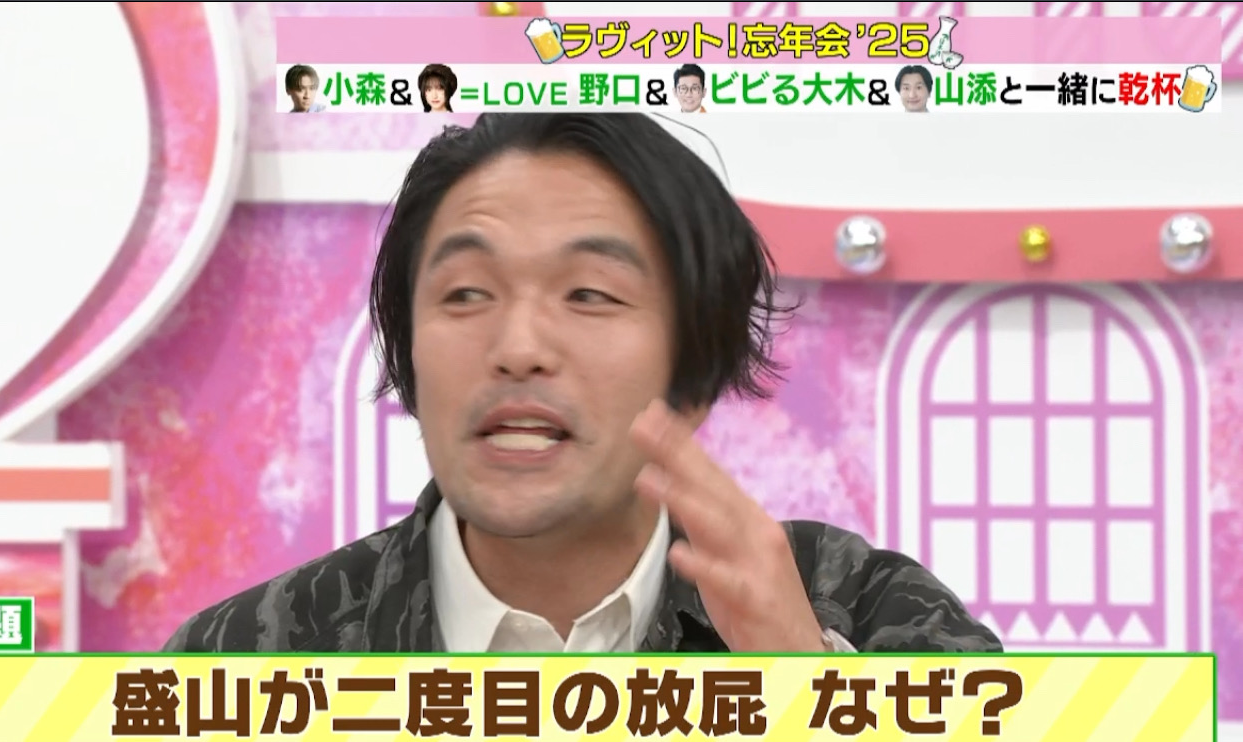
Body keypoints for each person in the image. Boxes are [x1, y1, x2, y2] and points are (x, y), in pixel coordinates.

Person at [163, 113, 1002, 655]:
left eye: (590, 295)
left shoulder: (870, 614)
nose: (518, 348)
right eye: (467, 294)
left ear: (696, 367)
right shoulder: (247, 657)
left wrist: (803, 693)